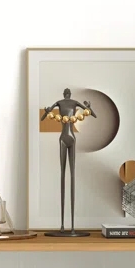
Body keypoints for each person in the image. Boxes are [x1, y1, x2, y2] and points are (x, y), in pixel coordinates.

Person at [41, 89, 97, 235]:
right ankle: (64, 225)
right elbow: (92, 114)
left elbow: (44, 117)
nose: (67, 94)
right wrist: (89, 107)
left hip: (66, 137)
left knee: (68, 175)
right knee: (66, 175)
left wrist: (47, 112)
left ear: (65, 94)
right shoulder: (72, 103)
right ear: (68, 94)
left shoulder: (61, 103)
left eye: (66, 93)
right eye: (67, 93)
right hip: (68, 138)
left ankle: (69, 226)